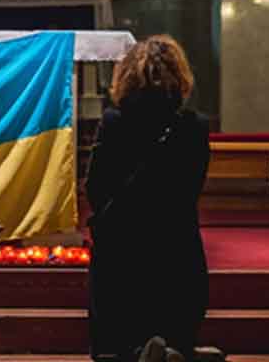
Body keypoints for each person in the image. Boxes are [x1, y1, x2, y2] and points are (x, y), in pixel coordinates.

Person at [86, 35, 209, 362]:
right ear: (180, 75)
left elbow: (95, 189)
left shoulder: (114, 122)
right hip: (177, 252)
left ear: (127, 74)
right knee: (175, 338)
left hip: (123, 256)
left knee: (119, 346)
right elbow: (192, 188)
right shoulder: (195, 126)